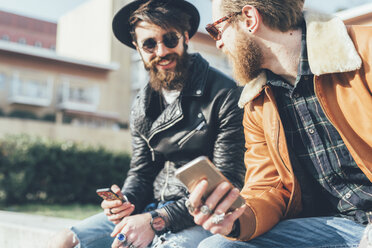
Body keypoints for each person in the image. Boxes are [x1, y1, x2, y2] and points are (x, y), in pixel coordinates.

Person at [49, 0, 246, 248]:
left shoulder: (225, 93)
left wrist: (156, 220)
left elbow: (228, 183)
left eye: (170, 39)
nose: (161, 51)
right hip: (149, 210)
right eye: (150, 44)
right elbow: (141, 173)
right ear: (138, 48)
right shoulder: (141, 105)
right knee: (63, 241)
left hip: (200, 217)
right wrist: (123, 202)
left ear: (185, 37)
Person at [186, 0, 372, 247]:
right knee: (216, 245)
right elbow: (268, 187)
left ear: (250, 18)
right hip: (331, 227)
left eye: (217, 29)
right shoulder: (256, 102)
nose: (218, 42)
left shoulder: (364, 51)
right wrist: (235, 219)